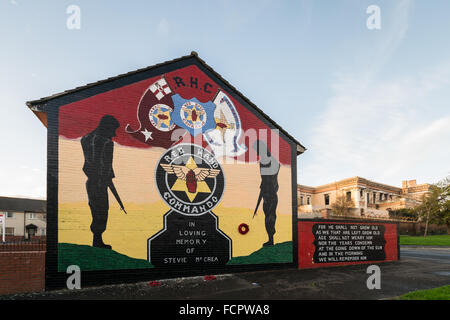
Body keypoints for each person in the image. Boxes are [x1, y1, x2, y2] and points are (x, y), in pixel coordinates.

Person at [81, 115, 120, 249]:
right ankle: (97, 241)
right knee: (102, 211)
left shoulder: (84, 139)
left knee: (94, 209)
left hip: (90, 182)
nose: (114, 134)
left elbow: (90, 163)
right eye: (113, 130)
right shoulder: (107, 143)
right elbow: (106, 166)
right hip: (100, 182)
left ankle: (96, 240)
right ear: (107, 127)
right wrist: (107, 181)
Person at [253, 140, 280, 247]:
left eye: (258, 151)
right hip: (268, 194)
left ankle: (271, 239)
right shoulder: (270, 161)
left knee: (270, 217)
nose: (258, 154)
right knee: (269, 216)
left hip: (270, 195)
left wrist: (267, 192)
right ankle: (270, 239)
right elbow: (266, 180)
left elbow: (268, 180)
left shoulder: (268, 161)